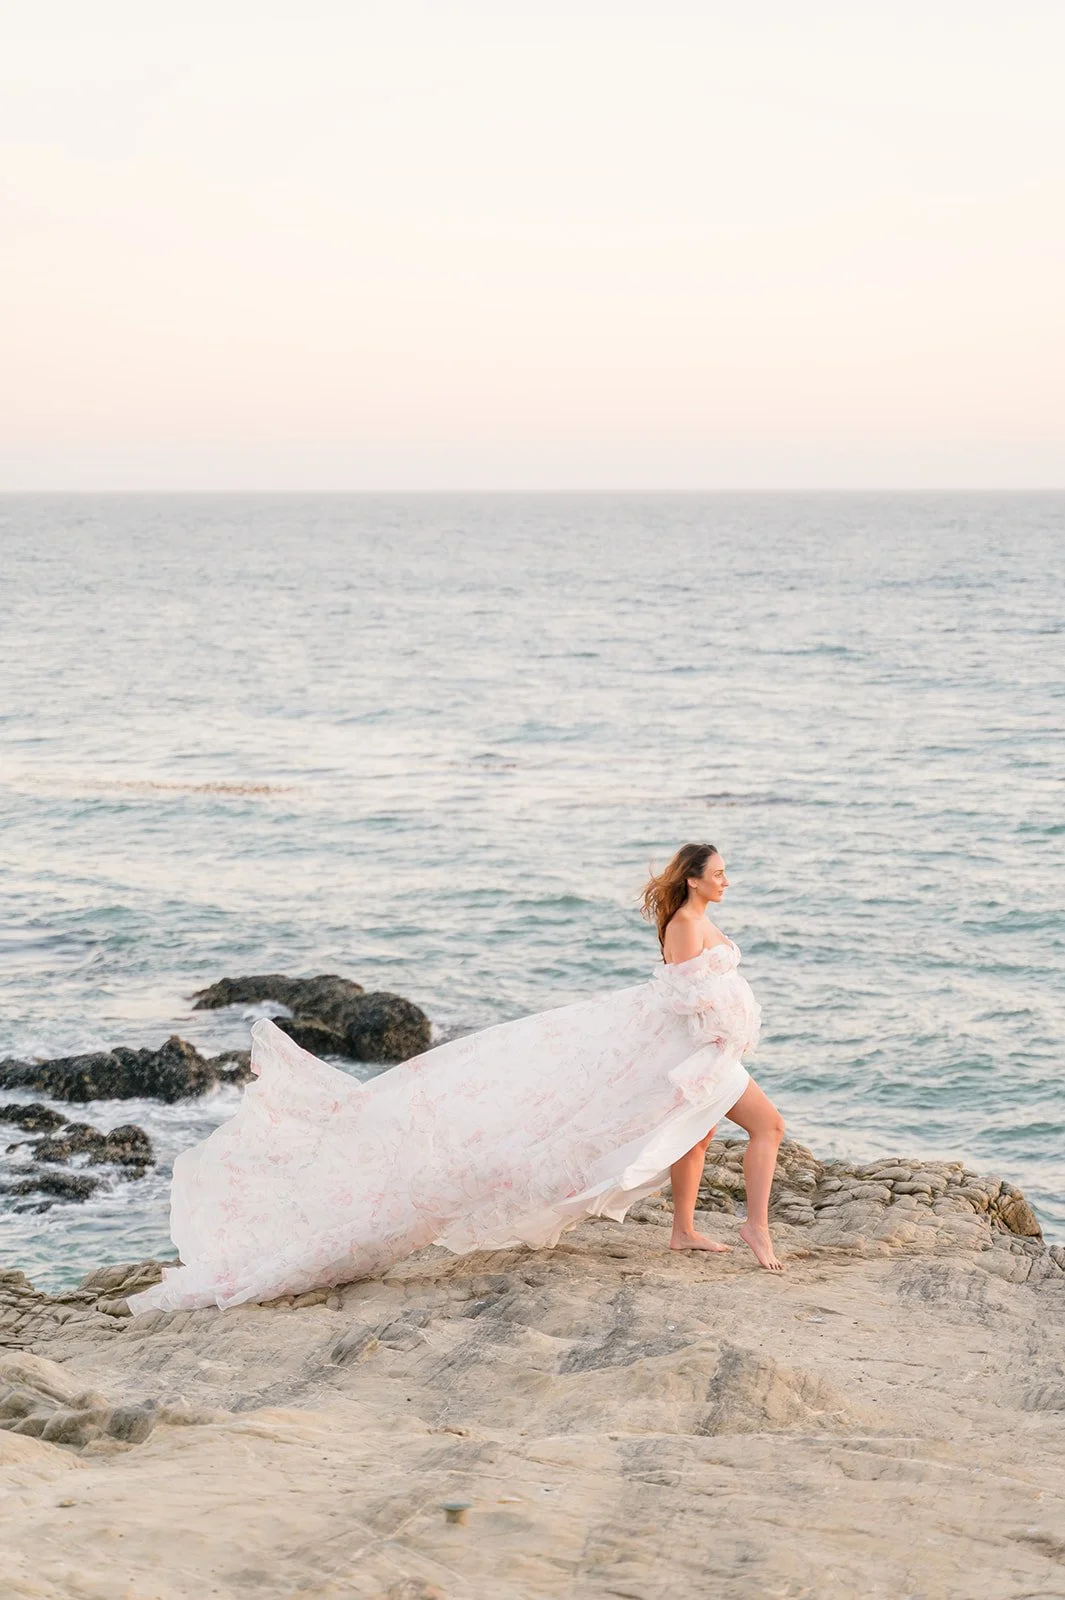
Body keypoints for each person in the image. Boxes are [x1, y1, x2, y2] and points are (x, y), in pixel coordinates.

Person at [129, 841, 783, 1315]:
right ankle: (754, 1225)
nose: (726, 881)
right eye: (719, 874)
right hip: (698, 1053)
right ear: (693, 880)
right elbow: (683, 1000)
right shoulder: (682, 925)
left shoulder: (698, 920)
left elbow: (706, 987)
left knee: (693, 1137)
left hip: (702, 1053)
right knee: (768, 1126)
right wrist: (723, 1027)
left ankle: (682, 1230)